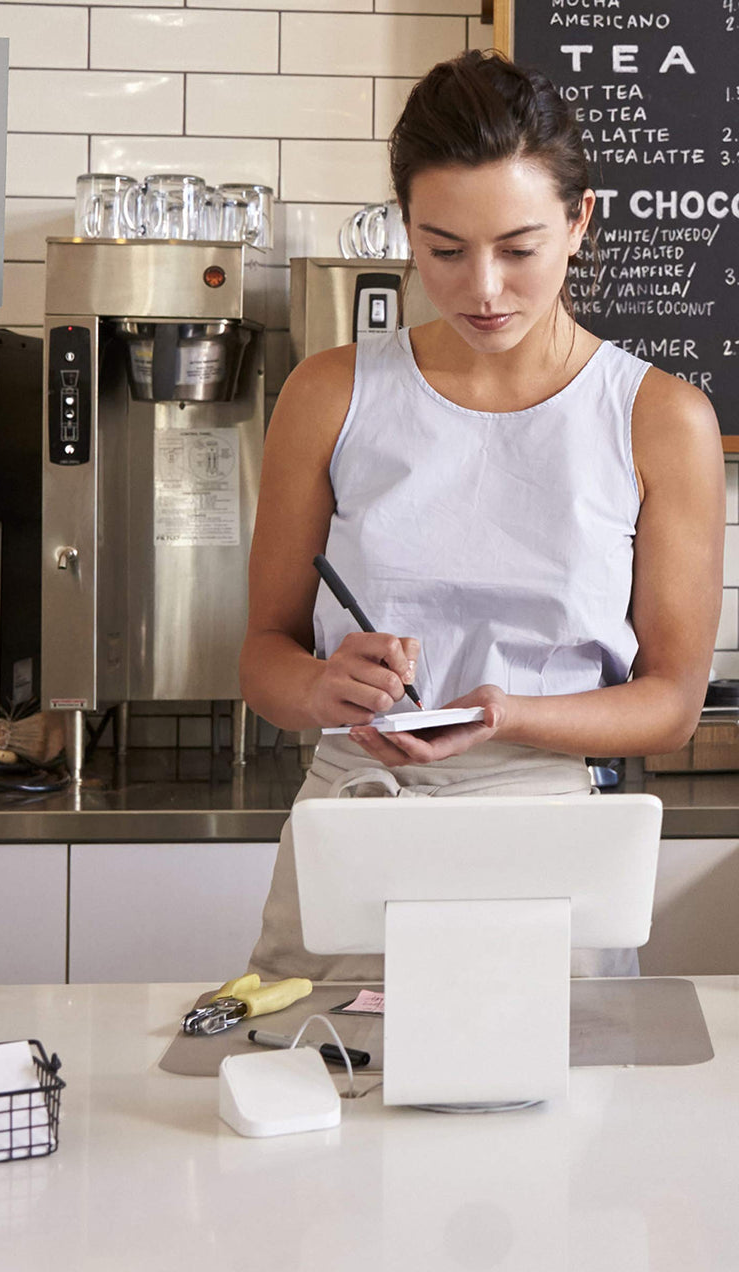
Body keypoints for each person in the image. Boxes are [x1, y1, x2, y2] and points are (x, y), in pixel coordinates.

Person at [240, 49, 724, 981]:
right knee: (318, 1101)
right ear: (407, 231)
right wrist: (319, 690)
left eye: (518, 248)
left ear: (580, 222)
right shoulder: (329, 393)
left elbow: (671, 705)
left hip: (546, 836)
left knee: (552, 1112)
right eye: (444, 250)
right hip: (357, 822)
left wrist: (508, 715)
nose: (483, 289)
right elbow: (265, 651)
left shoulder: (661, 417)